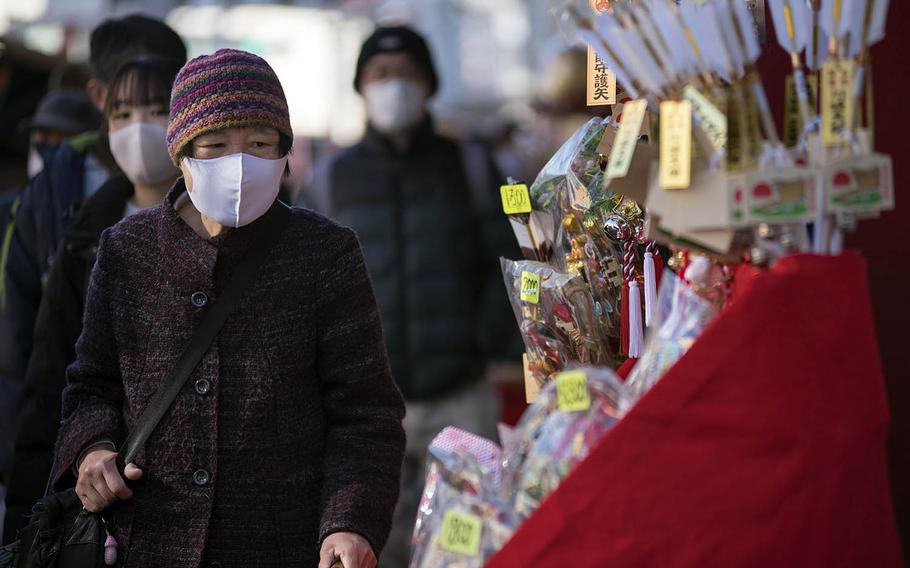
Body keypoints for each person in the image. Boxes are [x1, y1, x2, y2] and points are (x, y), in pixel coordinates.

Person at [53, 49, 404, 568]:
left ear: (284, 154)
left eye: (260, 145)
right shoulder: (127, 250)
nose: (239, 165)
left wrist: (350, 522)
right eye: (215, 146)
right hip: (146, 544)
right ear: (183, 154)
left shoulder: (325, 253)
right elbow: (91, 387)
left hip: (283, 546)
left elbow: (366, 412)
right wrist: (93, 450)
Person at [306, 26, 520, 567]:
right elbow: (306, 284)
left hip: (462, 391)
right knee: (373, 544)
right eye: (380, 75)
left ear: (429, 84)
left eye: (406, 73)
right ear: (361, 87)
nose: (393, 86)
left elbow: (508, 256)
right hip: (368, 408)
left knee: (469, 540)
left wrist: (484, 338)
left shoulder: (469, 165)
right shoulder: (331, 178)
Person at [2, 57, 182, 543]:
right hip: (103, 488)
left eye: (155, 110)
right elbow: (54, 378)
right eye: (122, 114)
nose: (139, 128)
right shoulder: (87, 234)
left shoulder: (225, 228)